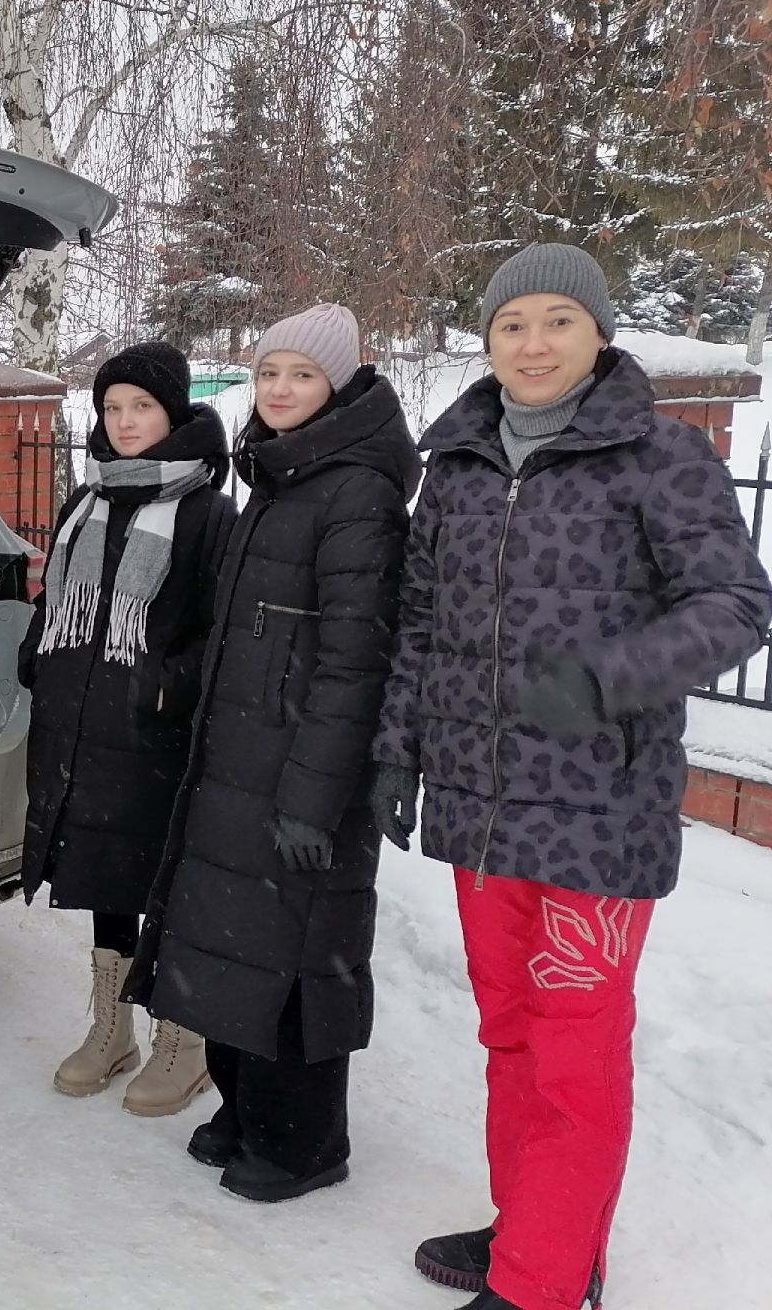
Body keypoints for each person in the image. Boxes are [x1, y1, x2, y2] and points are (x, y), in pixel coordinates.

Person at [370, 245, 772, 1310]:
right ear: (489, 341)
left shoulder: (659, 457)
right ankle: (539, 1236)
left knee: (572, 1058)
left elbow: (737, 604)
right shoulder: (456, 462)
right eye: (512, 326)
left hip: (599, 814)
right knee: (511, 1036)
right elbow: (417, 623)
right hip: (477, 807)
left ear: (599, 332)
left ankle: (543, 1285)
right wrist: (395, 754)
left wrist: (606, 679)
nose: (534, 344)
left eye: (557, 321)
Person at [129, 303, 419, 1203]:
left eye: (302, 374)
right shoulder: (282, 478)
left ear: (338, 381)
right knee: (229, 943)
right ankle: (249, 1109)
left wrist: (314, 797)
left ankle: (304, 1143)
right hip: (240, 760)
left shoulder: (358, 493)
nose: (281, 389)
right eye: (268, 374)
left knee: (295, 960)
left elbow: (354, 662)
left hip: (301, 778)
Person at [19, 342, 235, 1113]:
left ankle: (184, 1041)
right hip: (83, 726)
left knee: (166, 883)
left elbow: (224, 630)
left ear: (173, 412)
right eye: (113, 407)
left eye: (141, 406)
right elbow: (57, 604)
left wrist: (163, 686)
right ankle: (111, 1029)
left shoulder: (208, 510)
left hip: (158, 737)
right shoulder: (88, 499)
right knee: (104, 877)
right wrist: (34, 655)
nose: (125, 421)